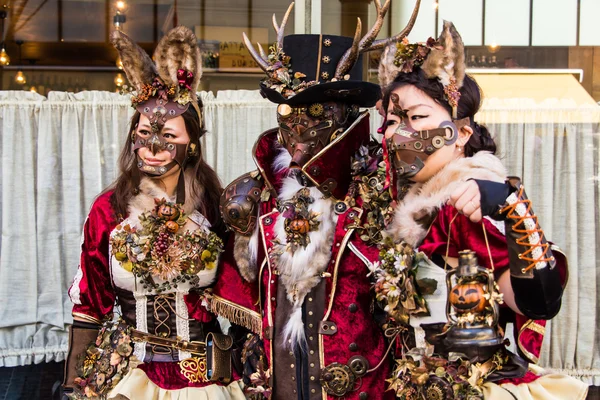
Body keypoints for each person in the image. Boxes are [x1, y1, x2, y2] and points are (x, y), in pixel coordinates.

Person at [206, 1, 420, 398]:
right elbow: (247, 288)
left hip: (363, 380)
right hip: (282, 380)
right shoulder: (261, 193)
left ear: (344, 113)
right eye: (290, 113)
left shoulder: (384, 186)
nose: (298, 127)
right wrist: (248, 342)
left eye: (315, 111)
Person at [373, 21, 589, 399]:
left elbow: (536, 303)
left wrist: (509, 205)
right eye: (392, 121)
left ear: (463, 134)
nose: (400, 135)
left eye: (417, 118)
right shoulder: (405, 207)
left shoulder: (464, 203)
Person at [63, 27, 245, 399]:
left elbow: (241, 297)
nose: (153, 147)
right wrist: (72, 384)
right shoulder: (108, 210)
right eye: (145, 133)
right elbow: (90, 304)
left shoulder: (216, 206)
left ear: (191, 145)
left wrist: (257, 366)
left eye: (169, 138)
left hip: (205, 379)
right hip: (131, 376)